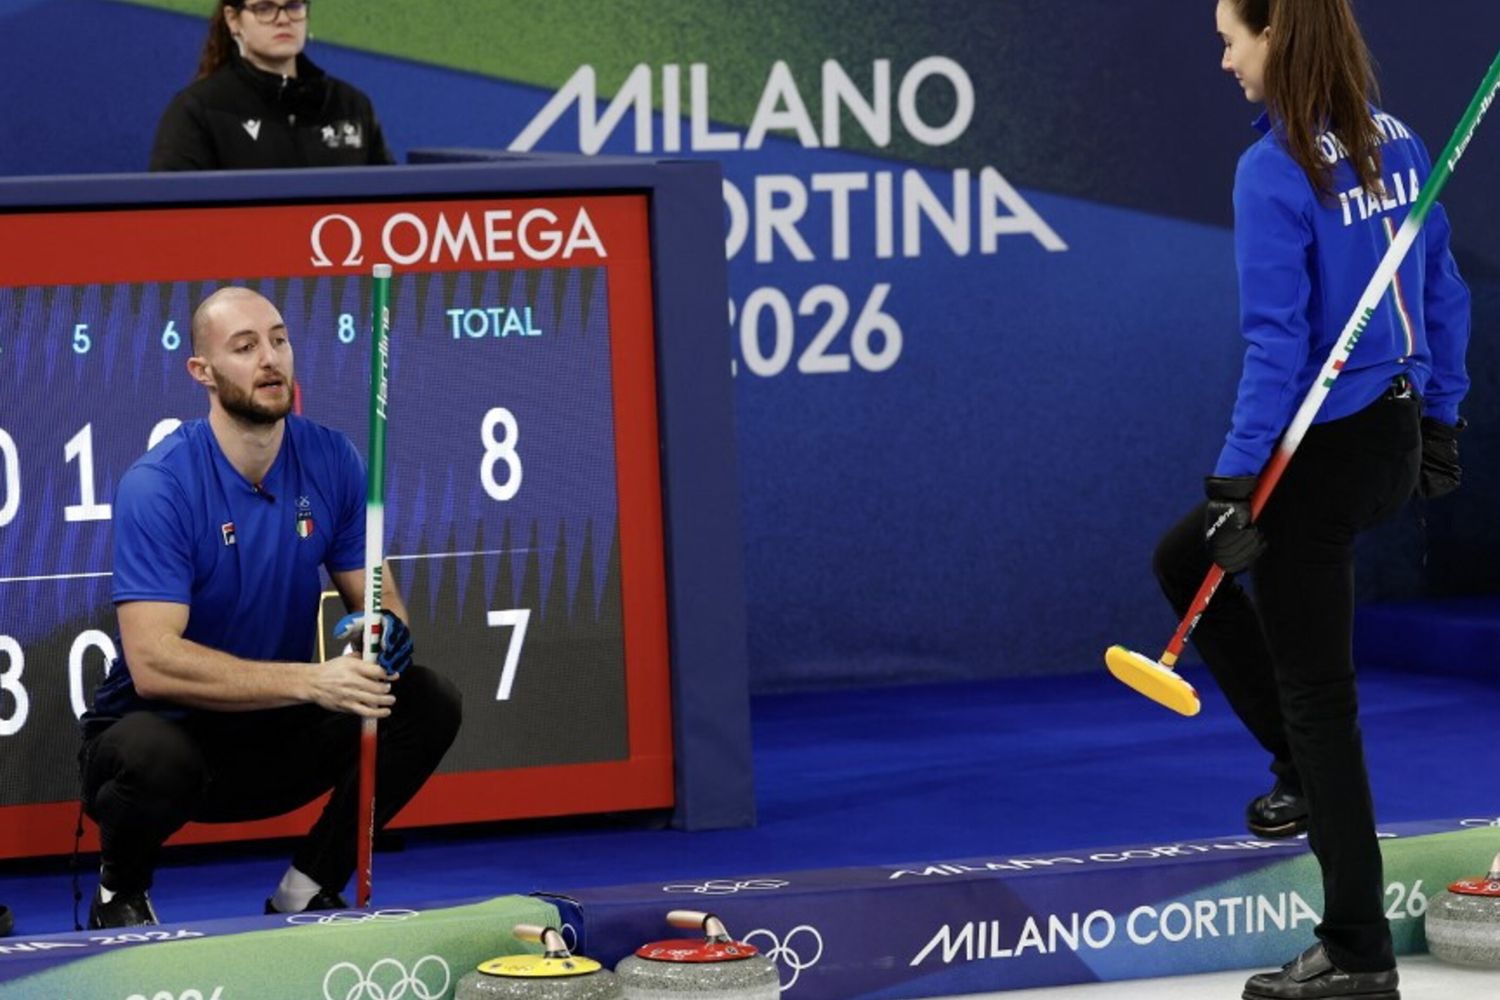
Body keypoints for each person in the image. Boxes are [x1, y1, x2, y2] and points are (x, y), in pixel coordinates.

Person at [1152, 2, 1470, 997]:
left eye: (1230, 35)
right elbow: (1445, 289)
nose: (1221, 56)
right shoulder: (1400, 140)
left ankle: (1358, 953)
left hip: (1316, 455)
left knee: (1321, 700)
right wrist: (1443, 421)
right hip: (1388, 437)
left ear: (1275, 35)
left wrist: (1239, 480)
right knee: (1184, 557)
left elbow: (1278, 344)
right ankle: (1296, 766)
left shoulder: (1274, 169)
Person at [80, 287, 461, 928]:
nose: (271, 359)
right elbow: (153, 664)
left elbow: (380, 596)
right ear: (201, 372)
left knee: (425, 698)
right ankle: (121, 890)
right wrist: (315, 680)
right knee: (153, 755)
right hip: (164, 740)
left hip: (273, 734)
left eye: (278, 340)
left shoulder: (332, 457)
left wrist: (385, 632)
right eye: (246, 346)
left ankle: (308, 886)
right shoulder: (158, 485)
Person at [150, 1, 394, 170]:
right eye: (264, 8)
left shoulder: (351, 105)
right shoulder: (198, 110)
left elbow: (389, 208)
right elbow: (174, 223)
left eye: (293, 6)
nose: (283, 19)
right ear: (233, 20)